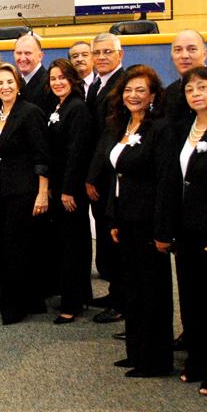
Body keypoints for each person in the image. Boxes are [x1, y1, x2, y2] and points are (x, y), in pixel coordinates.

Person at [155, 66, 207, 396]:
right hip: (186, 231)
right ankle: (198, 360)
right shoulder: (183, 129)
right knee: (191, 301)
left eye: (202, 88)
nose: (195, 94)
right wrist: (167, 228)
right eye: (190, 90)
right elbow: (171, 181)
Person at [93, 64, 171, 378]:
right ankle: (136, 352)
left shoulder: (161, 129)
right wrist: (113, 217)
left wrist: (164, 229)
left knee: (153, 292)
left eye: (140, 90)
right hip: (125, 219)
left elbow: (166, 181)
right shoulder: (124, 124)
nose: (133, 96)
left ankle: (156, 360)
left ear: (153, 95)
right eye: (128, 90)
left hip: (149, 222)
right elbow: (117, 174)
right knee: (133, 290)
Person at [0, 64, 50, 325]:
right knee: (14, 247)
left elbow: (42, 155)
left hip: (25, 190)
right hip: (4, 189)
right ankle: (31, 301)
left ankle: (14, 307)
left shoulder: (30, 113)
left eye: (9, 81)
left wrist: (43, 192)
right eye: (0, 83)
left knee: (16, 249)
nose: (5, 87)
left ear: (18, 84)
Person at [45, 59, 93, 324]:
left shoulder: (78, 109)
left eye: (62, 77)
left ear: (73, 80)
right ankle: (78, 295)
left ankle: (72, 303)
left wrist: (67, 190)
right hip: (59, 185)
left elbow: (77, 152)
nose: (57, 82)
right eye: (53, 78)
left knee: (74, 245)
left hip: (70, 190)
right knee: (67, 243)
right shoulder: (59, 107)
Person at [84, 32, 126, 323]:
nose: (101, 57)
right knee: (107, 235)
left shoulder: (122, 86)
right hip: (99, 173)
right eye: (96, 52)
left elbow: (108, 136)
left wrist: (92, 175)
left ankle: (123, 300)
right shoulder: (96, 85)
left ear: (119, 55)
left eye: (107, 52)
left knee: (116, 236)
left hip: (112, 174)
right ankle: (115, 290)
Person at [13, 33, 53, 112]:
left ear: (40, 56)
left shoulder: (49, 83)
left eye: (28, 53)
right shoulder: (15, 83)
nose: (23, 58)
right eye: (19, 53)